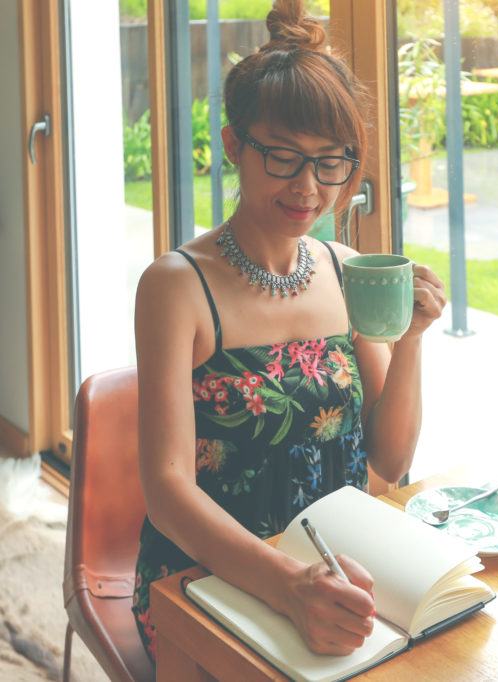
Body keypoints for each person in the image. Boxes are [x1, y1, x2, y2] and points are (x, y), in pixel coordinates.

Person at [130, 0, 446, 661]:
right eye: (283, 158)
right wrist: (289, 585)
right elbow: (167, 491)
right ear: (234, 145)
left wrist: (410, 339)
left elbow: (385, 462)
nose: (309, 188)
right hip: (206, 579)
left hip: (335, 574)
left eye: (332, 162)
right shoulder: (176, 286)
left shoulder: (347, 271)